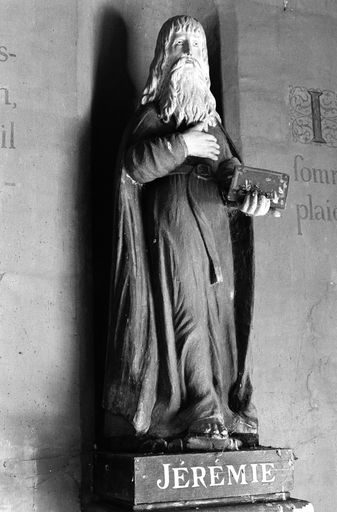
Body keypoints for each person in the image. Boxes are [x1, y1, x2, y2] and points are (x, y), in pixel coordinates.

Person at [103, 15, 271, 450]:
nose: (189, 56)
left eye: (196, 48)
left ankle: (222, 407)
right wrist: (184, 146)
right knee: (187, 312)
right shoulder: (155, 114)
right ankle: (198, 409)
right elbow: (134, 166)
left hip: (215, 233)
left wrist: (248, 195)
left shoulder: (213, 125)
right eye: (179, 46)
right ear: (164, 58)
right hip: (173, 229)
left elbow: (229, 174)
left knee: (219, 317)